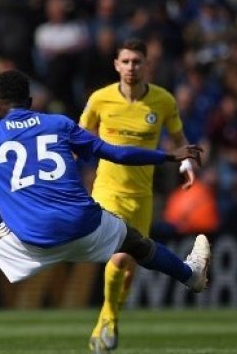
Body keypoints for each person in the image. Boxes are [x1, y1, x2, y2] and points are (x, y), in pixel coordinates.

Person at [0, 69, 210, 354]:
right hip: (85, 225)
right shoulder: (59, 124)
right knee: (133, 240)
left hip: (33, 236)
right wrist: (168, 156)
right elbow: (115, 152)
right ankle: (188, 274)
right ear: (30, 101)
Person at [78, 38, 196, 353]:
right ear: (116, 65)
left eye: (137, 62)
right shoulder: (100, 100)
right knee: (118, 255)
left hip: (142, 196)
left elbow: (179, 139)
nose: (131, 67)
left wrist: (185, 164)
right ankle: (108, 319)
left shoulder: (163, 101)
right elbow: (77, 138)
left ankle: (109, 319)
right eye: (126, 61)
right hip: (107, 191)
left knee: (129, 263)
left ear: (147, 65)